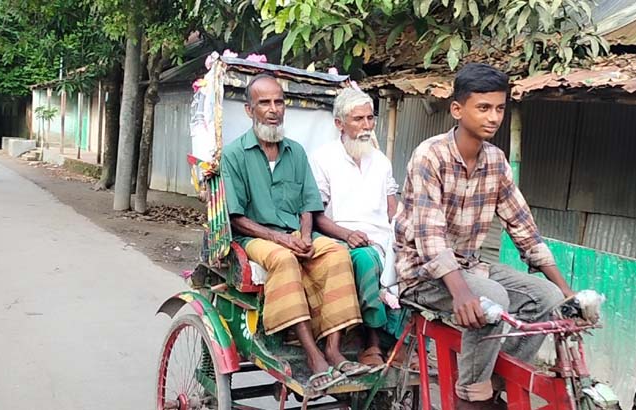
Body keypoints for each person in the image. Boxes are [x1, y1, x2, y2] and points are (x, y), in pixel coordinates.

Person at [395, 63, 574, 410]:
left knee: (547, 298)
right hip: (422, 273)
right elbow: (430, 238)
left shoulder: (496, 161)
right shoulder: (429, 156)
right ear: (458, 109)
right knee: (492, 298)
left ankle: (499, 378)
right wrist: (462, 294)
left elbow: (523, 227)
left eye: (499, 108)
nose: (493, 117)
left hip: (470, 266)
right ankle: (470, 392)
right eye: (483, 107)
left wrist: (566, 291)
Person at [220, 74, 369, 392]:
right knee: (285, 259)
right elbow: (235, 218)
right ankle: (313, 354)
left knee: (337, 252)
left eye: (279, 101)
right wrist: (281, 239)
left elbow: (308, 204)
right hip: (256, 238)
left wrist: (303, 235)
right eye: (265, 103)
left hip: (293, 232)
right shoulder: (234, 154)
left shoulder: (296, 152)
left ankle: (333, 348)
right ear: (249, 110)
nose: (274, 109)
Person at [310, 87, 408, 370]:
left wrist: (406, 232)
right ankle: (373, 341)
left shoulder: (380, 161)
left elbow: (393, 207)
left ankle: (402, 338)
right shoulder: (322, 158)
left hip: (379, 235)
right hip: (336, 235)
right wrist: (346, 234)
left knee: (415, 258)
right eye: (358, 119)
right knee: (365, 259)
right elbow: (316, 214)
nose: (366, 126)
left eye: (370, 118)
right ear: (339, 124)